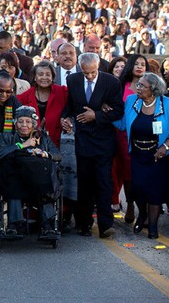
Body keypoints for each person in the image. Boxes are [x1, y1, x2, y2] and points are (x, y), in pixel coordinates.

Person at [61, 52, 124, 238]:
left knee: (104, 182)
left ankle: (105, 225)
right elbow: (70, 106)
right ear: (80, 68)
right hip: (83, 139)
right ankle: (84, 223)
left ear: (98, 67)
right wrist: (65, 119)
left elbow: (118, 111)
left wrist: (96, 115)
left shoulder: (111, 82)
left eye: (92, 73)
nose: (89, 76)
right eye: (85, 73)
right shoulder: (73, 81)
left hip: (103, 139)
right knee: (85, 182)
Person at [113, 73, 169, 239]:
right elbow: (122, 124)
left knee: (155, 192)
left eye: (142, 86)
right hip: (137, 155)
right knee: (138, 189)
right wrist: (107, 114)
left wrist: (165, 146)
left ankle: (152, 226)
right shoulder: (131, 101)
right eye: (138, 85)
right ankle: (142, 215)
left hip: (159, 157)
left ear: (153, 90)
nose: (138, 88)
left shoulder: (166, 104)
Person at [0, 106, 62, 238]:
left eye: (28, 122)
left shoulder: (43, 138)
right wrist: (21, 146)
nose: (24, 125)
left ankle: (48, 225)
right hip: (15, 181)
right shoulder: (6, 137)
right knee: (13, 184)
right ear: (15, 123)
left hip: (38, 181)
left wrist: (44, 153)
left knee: (45, 184)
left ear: (33, 124)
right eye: (20, 121)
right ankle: (14, 225)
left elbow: (57, 155)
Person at [112, 54, 149, 221]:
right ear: (131, 66)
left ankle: (145, 209)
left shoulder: (152, 87)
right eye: (137, 64)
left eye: (143, 64)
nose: (140, 67)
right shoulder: (121, 86)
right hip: (124, 135)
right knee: (128, 173)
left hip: (147, 135)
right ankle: (130, 205)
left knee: (145, 173)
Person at [17, 61, 68, 147]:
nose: (44, 77)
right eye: (40, 74)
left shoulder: (62, 92)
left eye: (48, 74)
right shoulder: (25, 96)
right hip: (31, 143)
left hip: (55, 143)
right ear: (35, 77)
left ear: (52, 77)